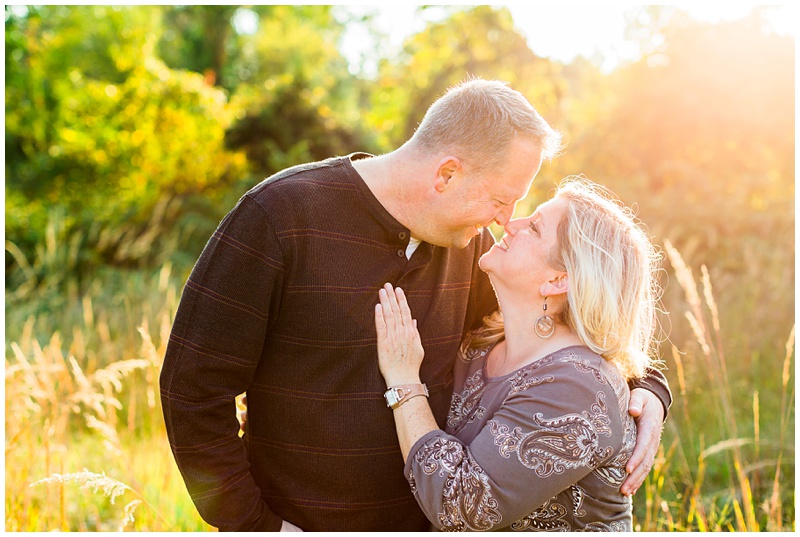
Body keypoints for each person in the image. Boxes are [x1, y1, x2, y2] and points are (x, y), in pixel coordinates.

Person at [160, 79, 671, 532]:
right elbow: (193, 389)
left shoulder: (469, 246)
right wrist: (256, 526)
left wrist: (647, 386)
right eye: (501, 200)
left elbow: (556, 331)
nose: (503, 222)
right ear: (446, 174)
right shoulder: (279, 217)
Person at [374, 177, 661, 531]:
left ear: (557, 281)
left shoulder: (577, 388)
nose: (510, 223)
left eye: (535, 227)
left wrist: (403, 380)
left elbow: (463, 507)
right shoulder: (481, 342)